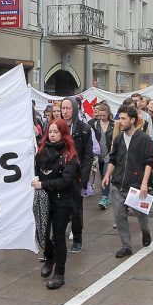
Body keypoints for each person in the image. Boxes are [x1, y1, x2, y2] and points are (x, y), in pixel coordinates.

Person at [31, 119, 80, 290]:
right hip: (44, 199)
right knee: (41, 234)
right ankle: (49, 256)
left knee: (58, 236)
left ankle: (60, 273)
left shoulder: (70, 155)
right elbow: (36, 171)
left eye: (56, 132)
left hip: (62, 200)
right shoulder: (42, 151)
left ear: (63, 133)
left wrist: (43, 185)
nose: (52, 135)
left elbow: (65, 181)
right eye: (50, 131)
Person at [103, 105, 153, 258]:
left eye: (123, 118)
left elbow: (149, 162)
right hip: (118, 184)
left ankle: (145, 231)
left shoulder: (144, 139)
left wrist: (145, 183)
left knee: (141, 215)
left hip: (136, 185)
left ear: (132, 120)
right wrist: (107, 175)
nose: (120, 121)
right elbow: (112, 159)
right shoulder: (118, 139)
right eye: (119, 118)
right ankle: (126, 245)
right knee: (119, 216)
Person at [60, 97, 94, 252]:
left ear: (74, 109)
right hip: (60, 175)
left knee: (76, 209)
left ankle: (78, 239)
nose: (65, 111)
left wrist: (84, 178)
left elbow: (88, 155)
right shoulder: (57, 127)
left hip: (76, 175)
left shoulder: (84, 129)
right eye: (63, 108)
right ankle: (58, 236)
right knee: (59, 207)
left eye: (68, 108)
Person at [89, 102, 114, 210]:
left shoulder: (113, 125)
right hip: (99, 155)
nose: (102, 117)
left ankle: (104, 197)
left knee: (105, 175)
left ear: (108, 114)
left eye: (104, 115)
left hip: (109, 153)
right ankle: (106, 194)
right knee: (101, 173)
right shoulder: (95, 125)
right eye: (100, 115)